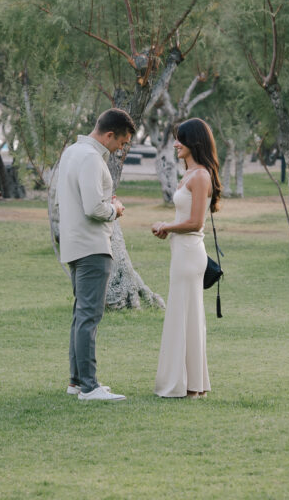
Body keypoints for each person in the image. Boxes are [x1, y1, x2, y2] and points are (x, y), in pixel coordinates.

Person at [57, 108, 136, 402]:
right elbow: (93, 209)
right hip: (92, 246)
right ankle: (89, 386)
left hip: (74, 243)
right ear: (109, 135)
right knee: (89, 316)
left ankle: (76, 381)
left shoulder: (71, 153)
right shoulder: (91, 157)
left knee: (81, 314)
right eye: (122, 142)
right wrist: (115, 208)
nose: (121, 148)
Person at [151, 117, 222, 398]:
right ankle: (190, 383)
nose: (176, 144)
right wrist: (169, 227)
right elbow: (185, 217)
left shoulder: (202, 175)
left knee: (186, 315)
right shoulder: (189, 175)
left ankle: (188, 385)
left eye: (180, 139)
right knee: (182, 314)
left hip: (190, 253)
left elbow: (196, 222)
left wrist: (167, 226)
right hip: (180, 252)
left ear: (194, 142)